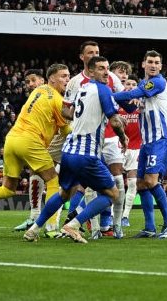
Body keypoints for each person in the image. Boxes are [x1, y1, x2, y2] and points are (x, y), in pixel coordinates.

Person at [23, 56, 128, 244]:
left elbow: (69, 113)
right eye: (101, 69)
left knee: (65, 193)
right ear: (91, 71)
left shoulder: (82, 89)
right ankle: (74, 224)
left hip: (69, 151)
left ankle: (34, 228)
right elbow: (114, 120)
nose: (106, 73)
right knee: (112, 193)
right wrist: (122, 136)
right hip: (86, 154)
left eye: (107, 69)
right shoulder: (103, 90)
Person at [0, 64, 71, 238]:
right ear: (51, 79)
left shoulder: (39, 91)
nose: (67, 79)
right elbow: (66, 132)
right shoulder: (57, 99)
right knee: (53, 181)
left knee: (8, 188)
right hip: (30, 140)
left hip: (12, 140)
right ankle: (51, 229)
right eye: (63, 76)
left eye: (68, 76)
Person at [59, 41, 125, 238]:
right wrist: (84, 118)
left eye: (97, 52)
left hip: (110, 138)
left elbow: (121, 99)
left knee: (117, 183)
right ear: (83, 58)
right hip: (86, 141)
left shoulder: (110, 78)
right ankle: (86, 224)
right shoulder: (75, 82)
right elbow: (65, 110)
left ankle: (110, 225)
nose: (94, 55)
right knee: (88, 187)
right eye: (90, 53)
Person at [113, 50, 167, 239]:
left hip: (161, 138)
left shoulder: (158, 82)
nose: (154, 65)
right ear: (143, 64)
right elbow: (132, 106)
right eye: (150, 62)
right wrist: (120, 101)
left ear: (161, 66)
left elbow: (136, 93)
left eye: (157, 62)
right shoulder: (143, 84)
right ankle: (149, 227)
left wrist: (108, 96)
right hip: (146, 142)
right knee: (140, 184)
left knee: (150, 181)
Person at [11, 69, 51, 232]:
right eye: (27, 82)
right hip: (38, 142)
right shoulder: (32, 99)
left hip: (57, 142)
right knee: (35, 173)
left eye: (33, 80)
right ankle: (35, 218)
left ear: (42, 80)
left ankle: (62, 220)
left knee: (61, 180)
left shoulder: (50, 95)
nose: (30, 85)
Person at [118, 75, 142, 228]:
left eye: (134, 84)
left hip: (136, 148)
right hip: (119, 147)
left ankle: (125, 215)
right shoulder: (118, 105)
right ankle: (115, 214)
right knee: (117, 181)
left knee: (133, 183)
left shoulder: (142, 105)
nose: (131, 86)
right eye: (128, 84)